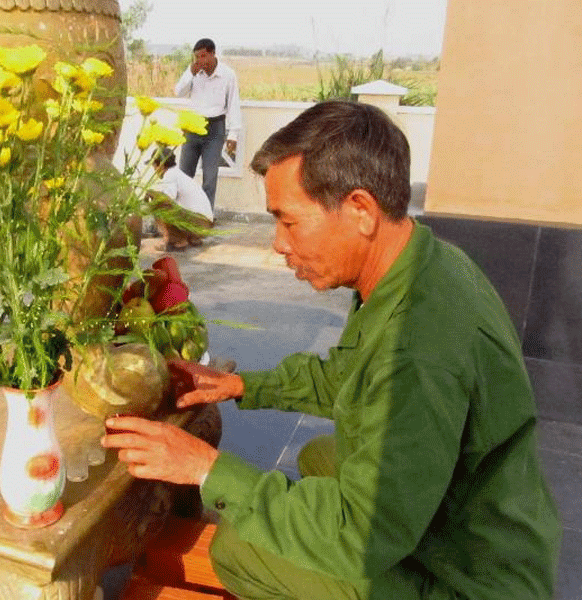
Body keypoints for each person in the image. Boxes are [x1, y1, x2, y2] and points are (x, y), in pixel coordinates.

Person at [102, 100, 561, 600]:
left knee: (237, 546)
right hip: (468, 517)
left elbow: (362, 535)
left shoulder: (420, 347)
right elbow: (349, 374)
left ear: (360, 210)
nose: (278, 243)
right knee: (322, 454)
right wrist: (243, 385)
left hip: (472, 579)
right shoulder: (418, 265)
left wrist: (207, 469)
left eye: (289, 222)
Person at [173, 38, 242, 210]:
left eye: (203, 56)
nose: (200, 61)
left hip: (215, 129)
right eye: (196, 57)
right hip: (192, 127)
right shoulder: (194, 73)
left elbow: (233, 104)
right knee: (184, 174)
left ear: (212, 54)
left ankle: (206, 215)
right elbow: (178, 92)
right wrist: (190, 73)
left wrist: (233, 134)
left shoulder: (228, 75)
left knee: (210, 177)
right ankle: (181, 214)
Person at [147, 147, 214, 252]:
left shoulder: (170, 175)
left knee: (158, 203)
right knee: (168, 202)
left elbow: (167, 199)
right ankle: (193, 237)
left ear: (160, 165)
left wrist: (149, 193)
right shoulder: (178, 174)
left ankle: (175, 240)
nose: (154, 170)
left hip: (198, 222)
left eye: (154, 166)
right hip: (206, 224)